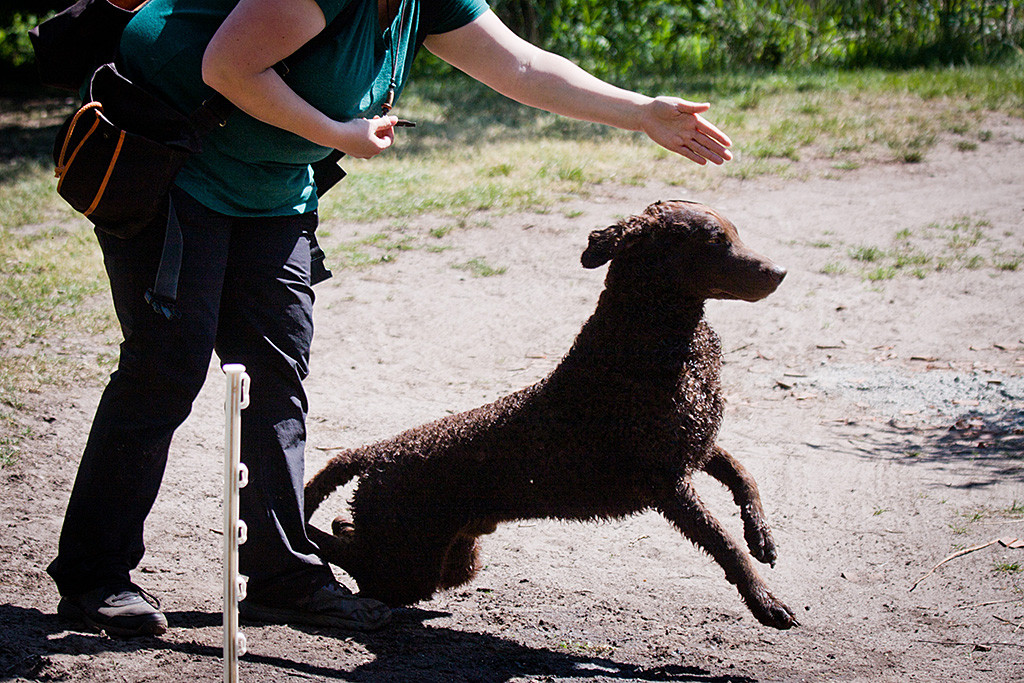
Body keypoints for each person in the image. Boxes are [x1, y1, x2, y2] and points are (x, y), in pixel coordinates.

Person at [48, 0, 734, 637]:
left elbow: (521, 65)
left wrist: (641, 110)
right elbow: (226, 66)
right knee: (166, 363)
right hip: (172, 165)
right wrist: (339, 133)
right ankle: (94, 576)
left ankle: (283, 572)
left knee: (278, 371)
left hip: (273, 191)